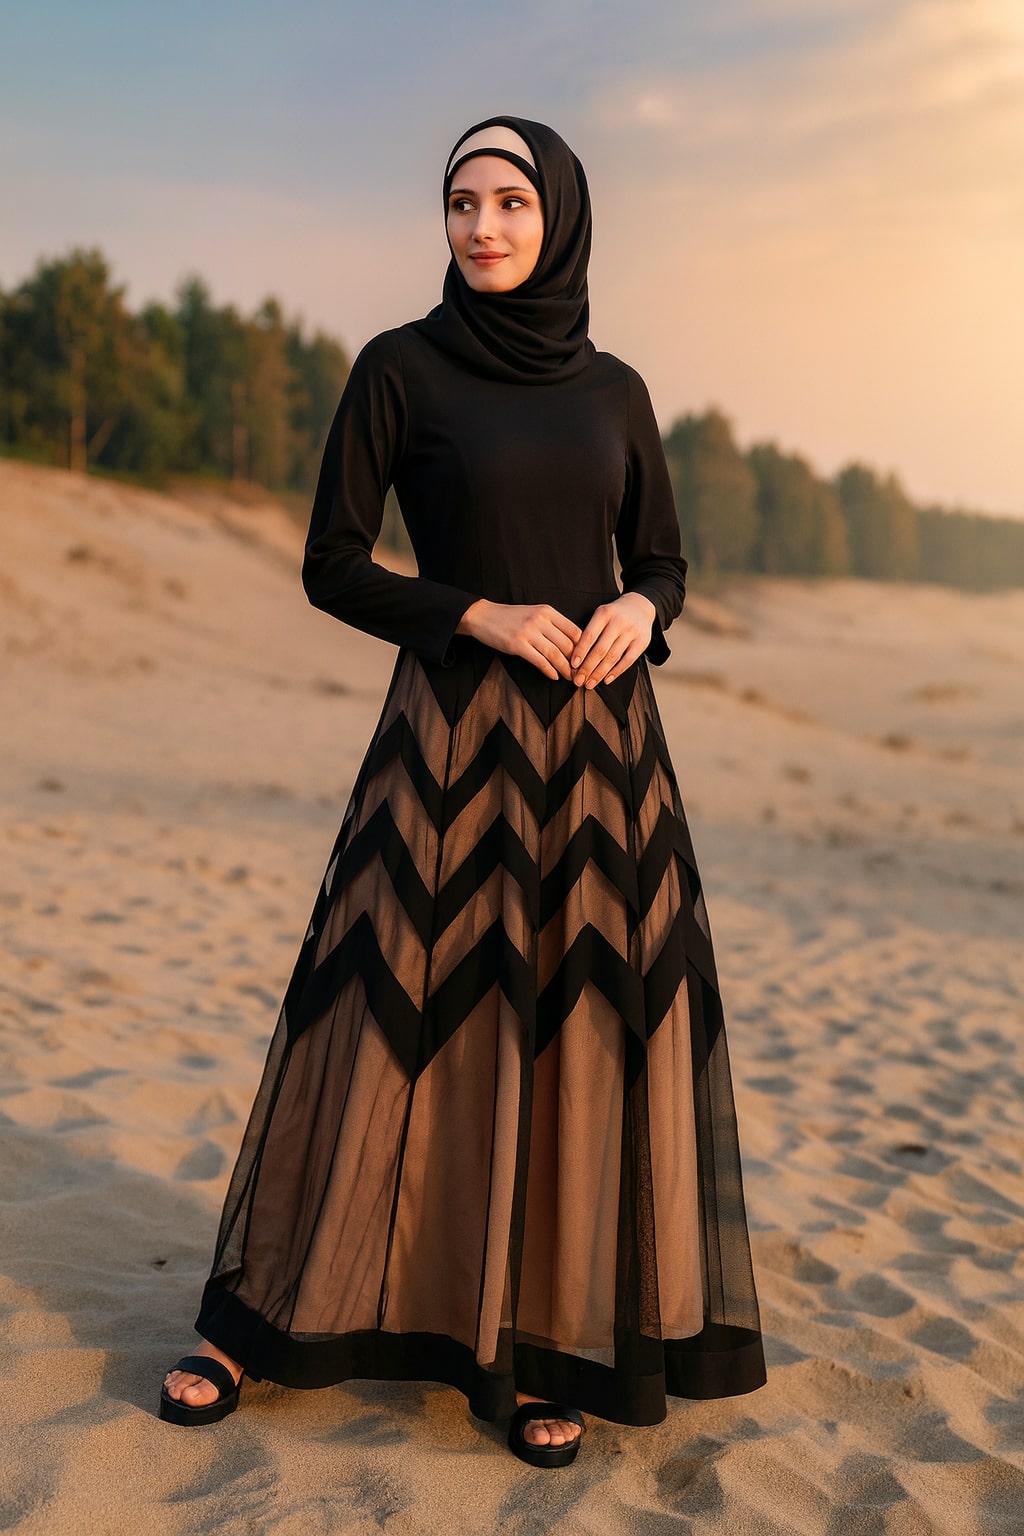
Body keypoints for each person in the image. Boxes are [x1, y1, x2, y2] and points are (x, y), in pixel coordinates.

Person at [159, 114, 767, 1469]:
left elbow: (662, 560)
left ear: (560, 217)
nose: (482, 227)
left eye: (510, 203)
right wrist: (474, 612)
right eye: (459, 202)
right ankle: (260, 1324)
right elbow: (330, 561)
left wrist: (639, 613)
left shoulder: (618, 391)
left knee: (573, 1033)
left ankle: (546, 1352)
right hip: (446, 749)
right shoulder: (399, 371)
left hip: (602, 764)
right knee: (377, 1014)